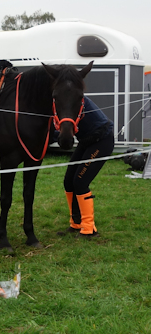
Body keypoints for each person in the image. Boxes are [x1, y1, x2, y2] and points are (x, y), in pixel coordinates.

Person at [58, 97, 114, 239]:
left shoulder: (75, 98)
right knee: (68, 181)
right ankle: (76, 223)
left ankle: (89, 229)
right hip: (86, 141)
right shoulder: (61, 101)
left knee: (80, 181)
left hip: (102, 140)